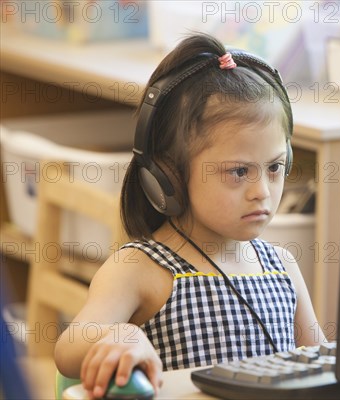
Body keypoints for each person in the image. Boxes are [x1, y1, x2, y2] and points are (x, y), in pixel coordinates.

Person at [54, 32, 325, 399]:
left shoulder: (282, 268)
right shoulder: (140, 269)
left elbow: (321, 368)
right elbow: (68, 352)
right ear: (168, 175)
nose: (262, 190)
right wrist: (122, 336)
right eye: (239, 172)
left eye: (275, 167)